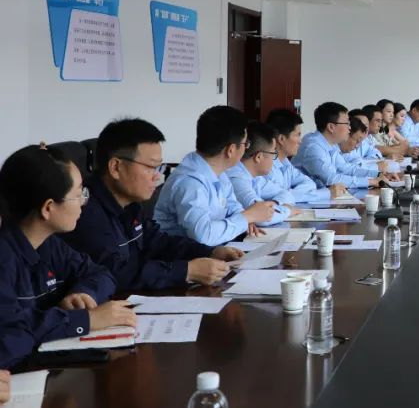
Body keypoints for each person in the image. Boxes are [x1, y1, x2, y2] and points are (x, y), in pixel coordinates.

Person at [63, 118, 242, 292]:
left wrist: (211, 252)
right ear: (116, 167)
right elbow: (115, 272)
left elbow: (157, 242)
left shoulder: (129, 203)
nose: (157, 177)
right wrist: (186, 271)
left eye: (159, 167)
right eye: (150, 167)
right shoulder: (85, 211)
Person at [0, 145, 136, 369]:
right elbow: (11, 340)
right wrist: (86, 320)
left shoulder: (48, 243)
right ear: (48, 208)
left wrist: (83, 294)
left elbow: (100, 273)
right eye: (78, 194)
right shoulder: (5, 259)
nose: (84, 202)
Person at [154, 106, 276, 245]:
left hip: (212, 251)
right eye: (245, 144)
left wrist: (244, 220)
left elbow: (232, 206)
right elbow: (203, 235)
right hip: (183, 256)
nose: (246, 149)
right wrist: (247, 216)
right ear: (230, 150)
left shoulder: (219, 173)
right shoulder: (189, 182)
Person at [293, 102, 388, 193]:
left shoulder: (331, 144)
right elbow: (331, 179)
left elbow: (346, 168)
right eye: (347, 123)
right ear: (331, 127)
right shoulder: (313, 146)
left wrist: (377, 174)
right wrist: (371, 182)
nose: (350, 128)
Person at [264, 109, 348, 204]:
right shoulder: (266, 167)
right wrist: (327, 193)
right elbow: (278, 198)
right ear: (281, 139)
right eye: (297, 135)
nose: (300, 141)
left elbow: (309, 183)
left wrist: (293, 194)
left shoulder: (285, 163)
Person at [226, 122, 297, 226]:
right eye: (273, 153)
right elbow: (262, 218)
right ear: (258, 157)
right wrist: (288, 210)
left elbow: (287, 195)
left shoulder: (255, 178)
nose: (274, 160)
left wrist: (275, 203)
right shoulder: (236, 178)